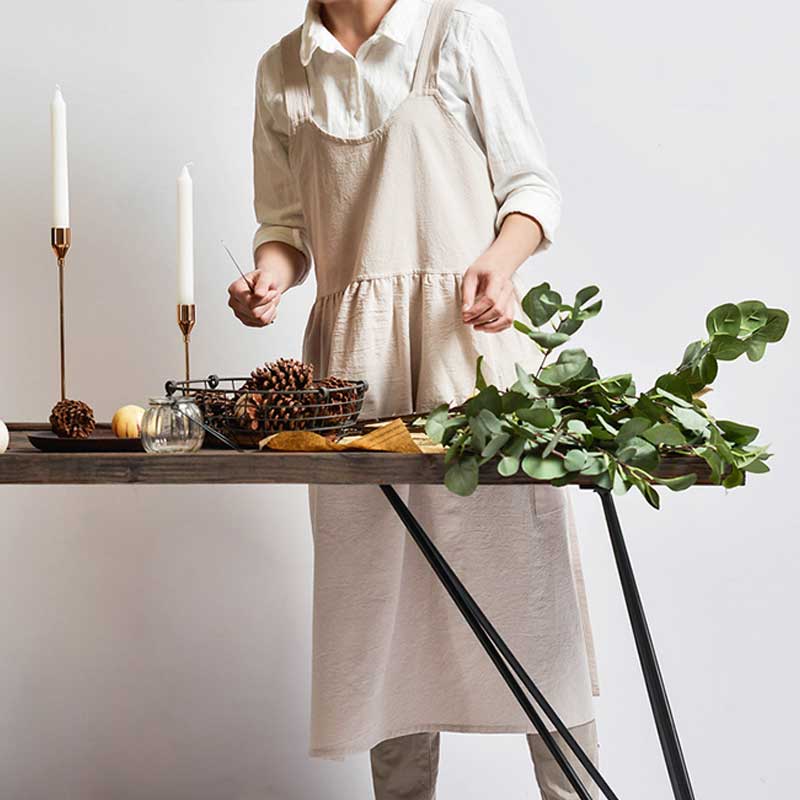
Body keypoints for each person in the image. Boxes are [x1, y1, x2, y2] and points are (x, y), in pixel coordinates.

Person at [227, 1, 600, 797]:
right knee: (380, 620)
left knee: (531, 615)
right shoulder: (281, 69)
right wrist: (271, 276)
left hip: (471, 368)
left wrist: (501, 261)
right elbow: (285, 224)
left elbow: (531, 184)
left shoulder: (458, 30)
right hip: (352, 387)